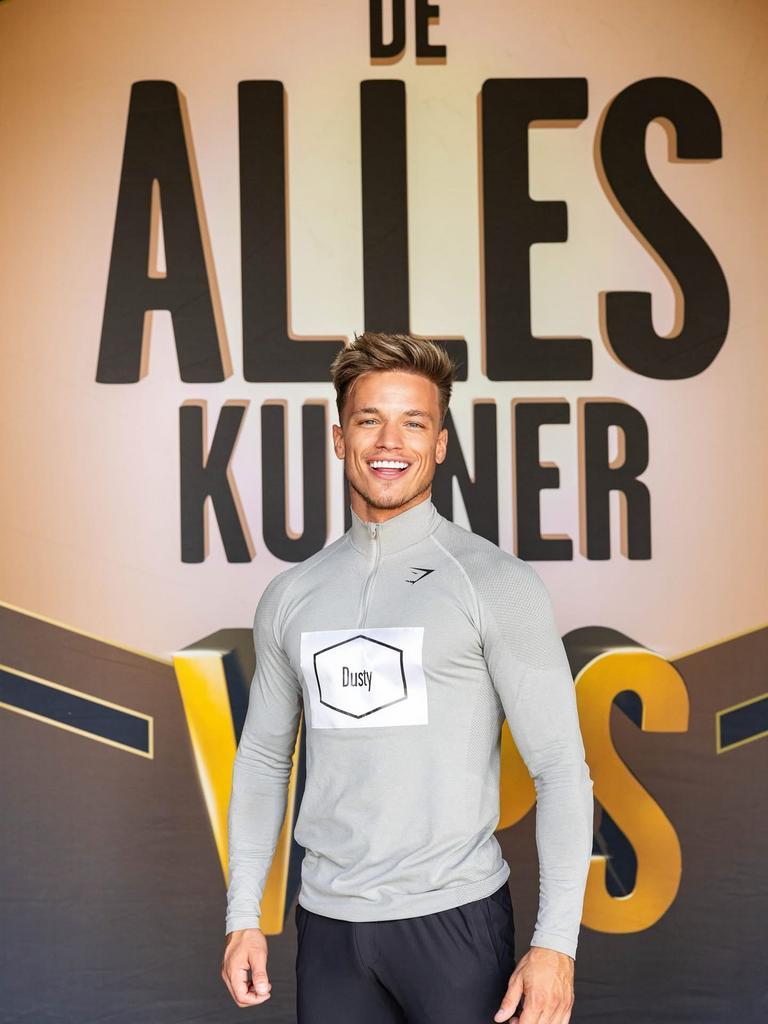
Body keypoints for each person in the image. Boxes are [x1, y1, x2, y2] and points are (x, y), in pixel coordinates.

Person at [221, 332, 594, 1024]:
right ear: (340, 439)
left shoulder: (495, 583)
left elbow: (561, 769)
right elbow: (265, 759)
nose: (390, 442)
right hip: (328, 930)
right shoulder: (291, 595)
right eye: (370, 420)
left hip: (456, 925)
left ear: (441, 443)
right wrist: (243, 914)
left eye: (414, 422)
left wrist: (556, 945)